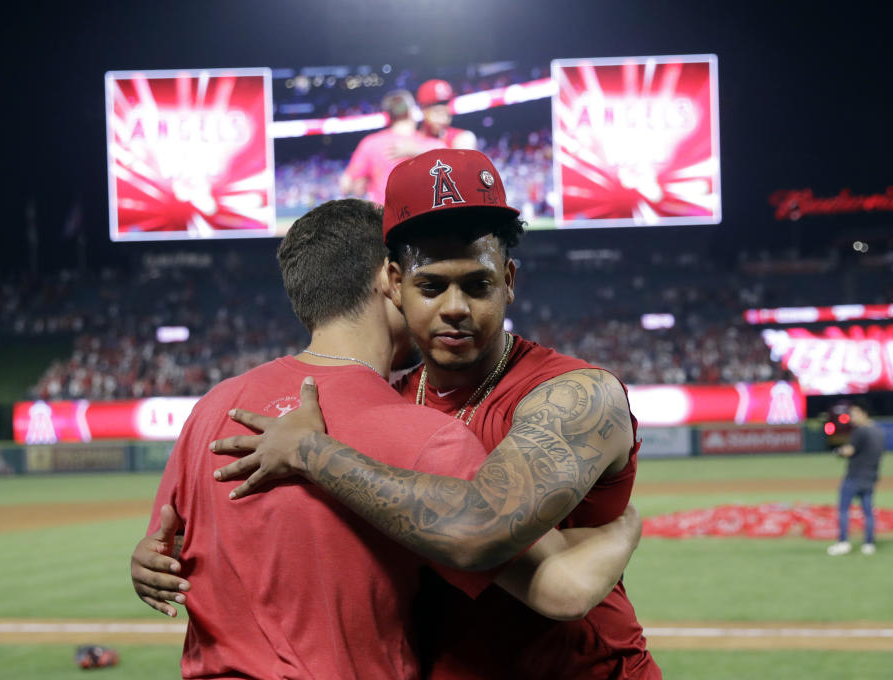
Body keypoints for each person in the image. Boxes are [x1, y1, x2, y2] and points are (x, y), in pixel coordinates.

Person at [131, 198, 643, 679]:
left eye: (475, 284)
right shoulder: (415, 429)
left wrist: (148, 563)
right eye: (431, 285)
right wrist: (624, 528)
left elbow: (169, 547)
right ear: (390, 282)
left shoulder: (213, 407)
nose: (454, 308)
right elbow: (561, 587)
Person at [340, 89, 445, 204]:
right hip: (423, 216)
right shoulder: (434, 145)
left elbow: (346, 184)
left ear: (388, 115)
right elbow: (451, 169)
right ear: (412, 111)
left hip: (385, 218)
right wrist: (420, 153)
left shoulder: (371, 144)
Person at [827, 402, 886, 556]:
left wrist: (838, 452)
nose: (851, 417)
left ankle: (843, 542)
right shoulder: (879, 431)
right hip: (871, 476)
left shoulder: (860, 431)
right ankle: (868, 543)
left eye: (854, 414)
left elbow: (849, 450)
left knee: (844, 509)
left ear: (863, 413)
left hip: (855, 476)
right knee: (868, 511)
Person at [416, 79, 477, 150]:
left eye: (446, 114)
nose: (443, 120)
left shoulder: (460, 138)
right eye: (437, 113)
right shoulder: (411, 139)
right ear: (423, 109)